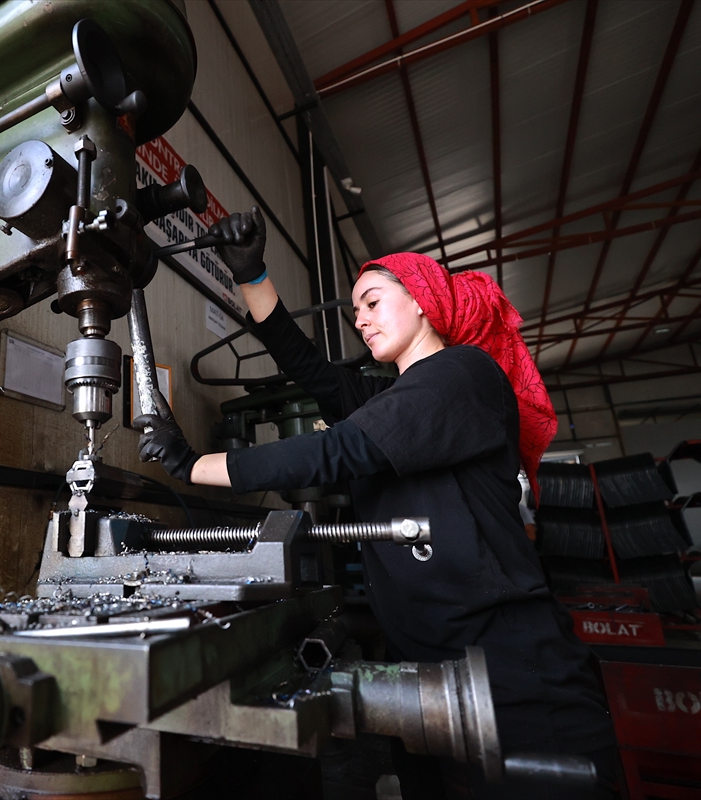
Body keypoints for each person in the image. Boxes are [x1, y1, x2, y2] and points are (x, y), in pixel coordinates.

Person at [137, 209, 620, 799]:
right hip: (425, 665)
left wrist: (194, 466)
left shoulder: (463, 374)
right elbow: (311, 369)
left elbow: (339, 449)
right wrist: (251, 275)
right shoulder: (391, 393)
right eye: (356, 312)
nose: (361, 321)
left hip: (509, 671)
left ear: (420, 300)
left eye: (371, 303)